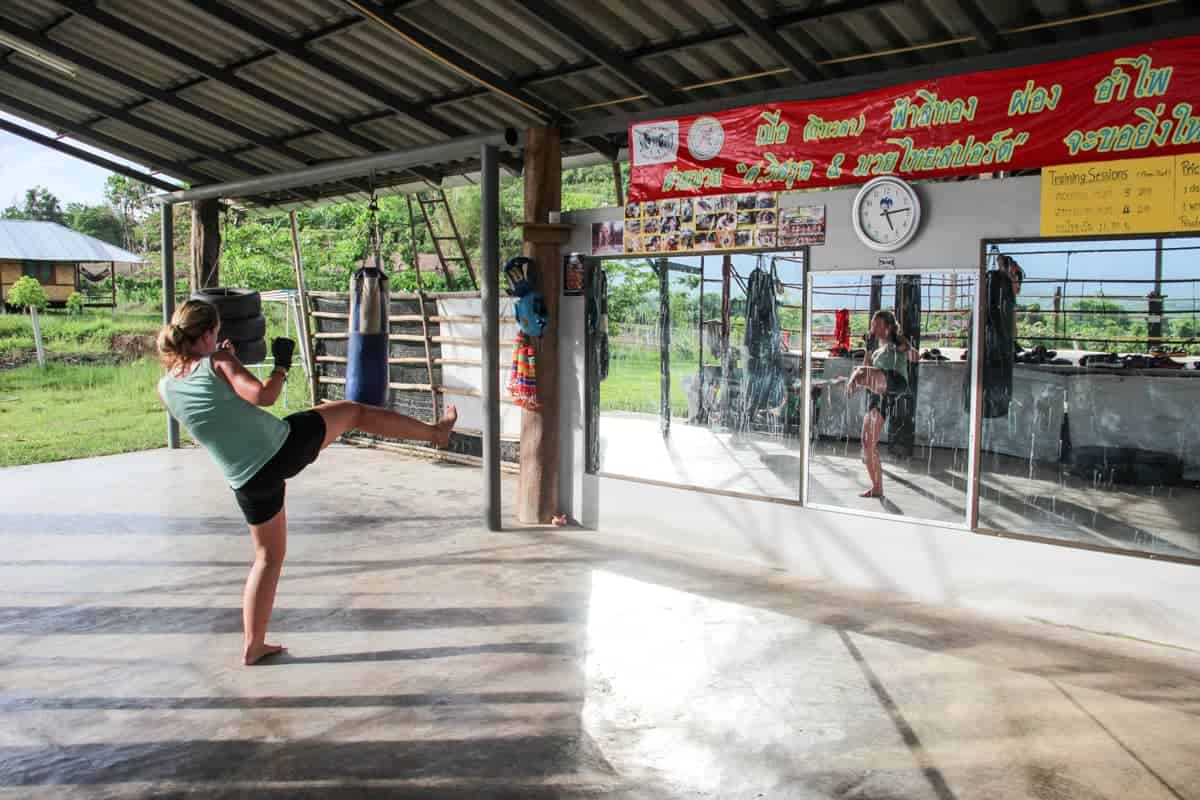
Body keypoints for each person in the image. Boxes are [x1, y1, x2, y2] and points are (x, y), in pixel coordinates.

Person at [156, 300, 457, 665]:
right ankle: (435, 433)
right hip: (282, 447)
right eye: (215, 334)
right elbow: (263, 396)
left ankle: (254, 644)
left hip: (246, 480)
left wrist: (226, 362)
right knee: (355, 412)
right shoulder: (218, 363)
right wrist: (281, 365)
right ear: (207, 335)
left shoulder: (166, 387)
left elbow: (219, 407)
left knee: (267, 557)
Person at [845, 310, 918, 498]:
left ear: (888, 327)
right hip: (879, 395)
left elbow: (913, 355)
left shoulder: (896, 342)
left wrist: (855, 378)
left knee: (860, 372)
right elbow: (866, 367)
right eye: (872, 324)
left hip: (894, 382)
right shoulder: (876, 350)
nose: (872, 328)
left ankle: (851, 382)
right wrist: (868, 350)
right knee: (867, 443)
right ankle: (877, 487)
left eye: (876, 324)